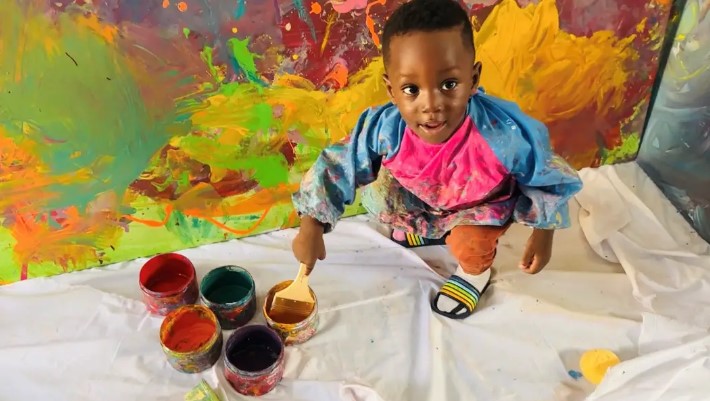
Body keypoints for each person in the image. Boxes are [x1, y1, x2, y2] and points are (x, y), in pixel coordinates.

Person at [290, 0, 583, 319]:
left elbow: (545, 176)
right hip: (422, 197)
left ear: (473, 78)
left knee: (470, 244)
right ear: (391, 89)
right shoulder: (386, 128)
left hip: (479, 207)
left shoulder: (502, 136)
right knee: (384, 193)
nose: (431, 104)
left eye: (449, 84)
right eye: (411, 89)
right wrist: (311, 223)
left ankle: (475, 274)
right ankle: (430, 227)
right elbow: (338, 165)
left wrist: (544, 232)